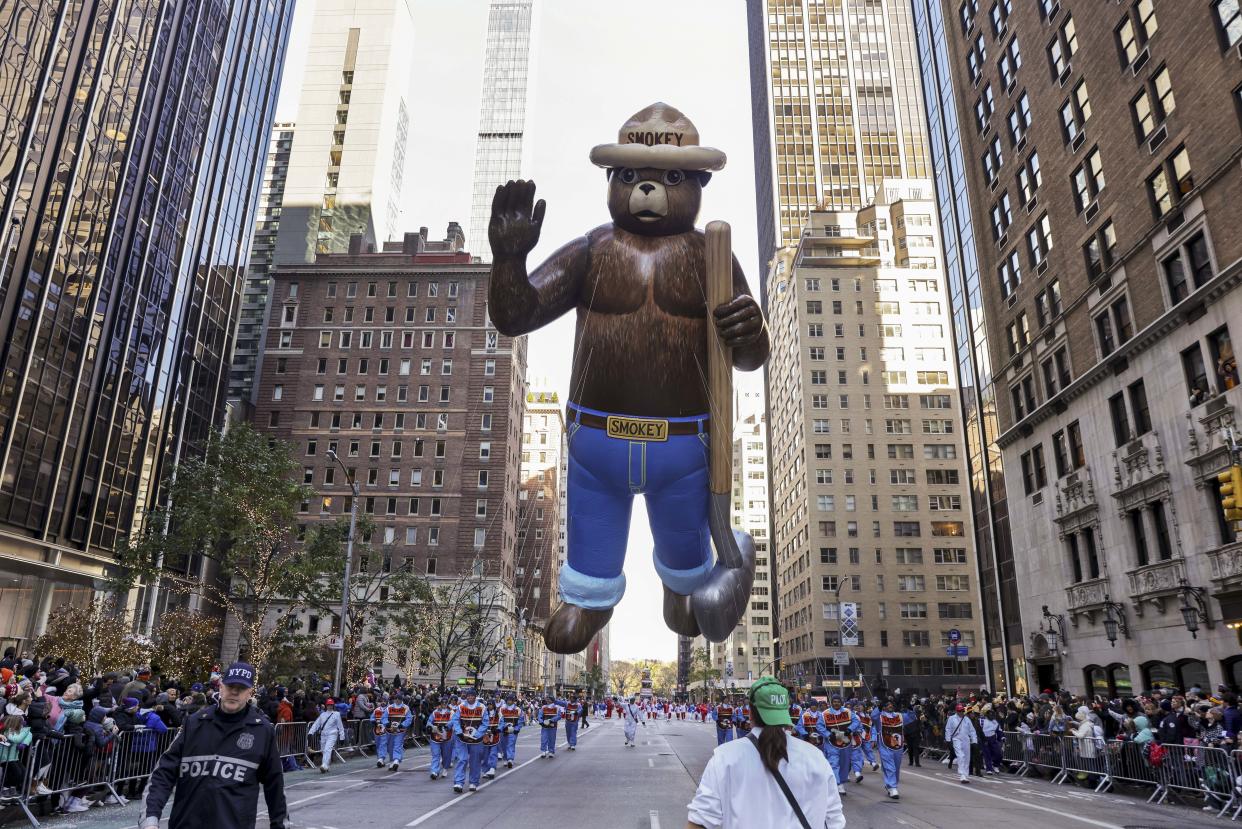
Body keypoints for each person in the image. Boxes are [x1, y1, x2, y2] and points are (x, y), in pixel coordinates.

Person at [141, 662, 287, 829]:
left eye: (241, 688)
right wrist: (150, 820)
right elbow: (163, 773)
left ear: (249, 693)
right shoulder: (194, 723)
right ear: (221, 687)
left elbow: (275, 788)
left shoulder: (263, 731)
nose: (234, 692)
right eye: (231, 686)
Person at [687, 677, 845, 829]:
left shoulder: (724, 758)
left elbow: (700, 820)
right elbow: (834, 820)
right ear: (786, 712)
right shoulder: (816, 757)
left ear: (751, 713)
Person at [817, 694, 858, 796]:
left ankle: (841, 780)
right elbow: (819, 726)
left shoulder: (848, 712)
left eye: (838, 701)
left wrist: (850, 729)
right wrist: (827, 735)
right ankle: (838, 784)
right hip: (831, 743)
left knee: (845, 763)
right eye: (834, 701)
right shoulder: (824, 714)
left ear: (841, 702)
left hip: (845, 742)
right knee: (834, 763)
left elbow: (856, 721)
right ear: (831, 703)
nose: (836, 703)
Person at [450, 687, 488, 793]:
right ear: (466, 696)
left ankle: (473, 782)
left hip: (476, 739)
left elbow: (485, 722)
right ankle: (458, 782)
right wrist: (459, 732)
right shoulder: (461, 706)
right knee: (462, 759)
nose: (470, 697)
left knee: (475, 761)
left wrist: (478, 734)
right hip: (462, 737)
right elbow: (455, 720)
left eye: (472, 696)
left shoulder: (482, 707)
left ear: (475, 697)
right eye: (468, 696)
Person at [308, 698, 347, 773]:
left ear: (333, 705)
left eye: (331, 705)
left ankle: (324, 765)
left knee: (327, 749)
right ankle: (326, 765)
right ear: (326, 705)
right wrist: (310, 732)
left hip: (332, 734)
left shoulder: (336, 714)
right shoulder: (322, 715)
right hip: (323, 735)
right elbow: (316, 724)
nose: (330, 706)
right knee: (323, 750)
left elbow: (340, 726)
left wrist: (342, 737)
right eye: (329, 705)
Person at [877, 699, 906, 799]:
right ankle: (893, 787)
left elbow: (911, 717)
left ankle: (890, 785)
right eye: (887, 705)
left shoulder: (899, 715)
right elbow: (872, 716)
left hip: (898, 746)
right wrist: (878, 708)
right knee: (890, 767)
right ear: (883, 707)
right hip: (885, 746)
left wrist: (908, 707)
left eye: (891, 704)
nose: (890, 706)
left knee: (896, 767)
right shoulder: (879, 716)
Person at [944, 703, 977, 784]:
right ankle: (962, 774)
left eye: (962, 711)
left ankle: (965, 775)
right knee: (961, 756)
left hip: (966, 739)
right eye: (959, 711)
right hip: (956, 739)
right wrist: (948, 740)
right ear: (956, 711)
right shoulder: (951, 718)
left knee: (967, 757)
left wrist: (974, 741)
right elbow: (948, 729)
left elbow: (972, 731)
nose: (961, 712)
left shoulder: (967, 719)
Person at [380, 695, 412, 771]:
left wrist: (402, 725)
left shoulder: (406, 708)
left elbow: (409, 718)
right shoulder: (389, 707)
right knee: (390, 746)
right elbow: (384, 717)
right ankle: (392, 761)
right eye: (396, 699)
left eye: (399, 699)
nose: (397, 700)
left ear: (401, 700)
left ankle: (396, 760)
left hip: (400, 731)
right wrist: (386, 723)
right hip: (390, 730)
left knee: (397, 745)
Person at [426, 696, 455, 780]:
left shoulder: (451, 712)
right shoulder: (435, 712)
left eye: (445, 703)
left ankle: (445, 768)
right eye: (442, 703)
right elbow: (429, 722)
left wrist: (447, 726)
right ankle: (434, 771)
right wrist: (430, 727)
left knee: (446, 755)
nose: (444, 705)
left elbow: (453, 721)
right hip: (435, 737)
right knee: (436, 754)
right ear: (440, 703)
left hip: (447, 737)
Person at [496, 694, 524, 769]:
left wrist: (517, 729)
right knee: (503, 745)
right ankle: (505, 758)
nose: (509, 701)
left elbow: (521, 720)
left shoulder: (518, 709)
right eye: (508, 700)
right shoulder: (502, 708)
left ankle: (510, 759)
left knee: (511, 744)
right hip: (504, 730)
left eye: (511, 700)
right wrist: (501, 728)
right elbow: (500, 720)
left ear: (513, 701)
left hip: (513, 729)